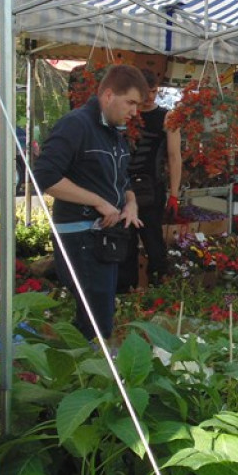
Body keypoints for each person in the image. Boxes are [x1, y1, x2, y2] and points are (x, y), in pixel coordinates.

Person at [34, 64, 147, 340]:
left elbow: (123, 181)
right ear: (108, 95)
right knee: (97, 321)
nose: (134, 112)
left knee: (97, 314)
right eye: (130, 102)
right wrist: (99, 202)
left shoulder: (114, 133)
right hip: (81, 236)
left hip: (103, 236)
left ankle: (81, 359)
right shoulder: (77, 125)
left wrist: (130, 204)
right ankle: (88, 363)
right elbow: (45, 177)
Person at [118, 69, 182, 291]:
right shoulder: (125, 114)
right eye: (147, 92)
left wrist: (174, 194)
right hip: (123, 188)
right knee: (125, 244)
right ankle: (126, 293)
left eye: (154, 92)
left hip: (152, 189)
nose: (150, 97)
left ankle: (159, 291)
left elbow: (174, 157)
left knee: (154, 243)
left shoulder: (167, 117)